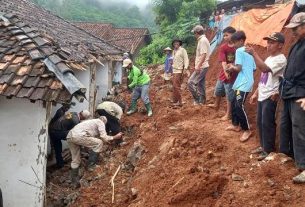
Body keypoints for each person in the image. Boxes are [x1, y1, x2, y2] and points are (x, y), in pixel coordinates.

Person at [247, 33, 287, 161]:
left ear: (280, 45)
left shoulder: (281, 59)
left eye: (272, 43)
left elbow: (264, 69)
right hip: (262, 94)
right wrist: (255, 93)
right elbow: (263, 78)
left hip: (271, 96)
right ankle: (263, 146)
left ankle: (268, 150)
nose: (268, 45)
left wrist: (254, 54)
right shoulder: (269, 58)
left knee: (267, 123)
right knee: (260, 122)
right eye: (268, 42)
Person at [279, 12, 305, 184]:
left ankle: (304, 167)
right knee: (287, 126)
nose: (293, 32)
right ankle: (292, 158)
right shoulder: (297, 45)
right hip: (289, 92)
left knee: (300, 129)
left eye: (295, 28)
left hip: (301, 93)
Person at [67, 116, 123, 188]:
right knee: (99, 143)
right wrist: (115, 137)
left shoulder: (90, 122)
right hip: (79, 136)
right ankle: (91, 165)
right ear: (104, 122)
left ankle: (74, 183)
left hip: (70, 136)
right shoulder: (100, 122)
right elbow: (103, 136)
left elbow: (94, 138)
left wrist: (106, 140)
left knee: (75, 160)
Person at [225, 31, 256, 142]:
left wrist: (231, 67)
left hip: (243, 83)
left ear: (242, 41)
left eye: (235, 42)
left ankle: (246, 129)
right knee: (234, 101)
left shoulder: (239, 50)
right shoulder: (249, 51)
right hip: (244, 81)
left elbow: (238, 68)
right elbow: (254, 68)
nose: (233, 45)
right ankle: (235, 124)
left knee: (238, 104)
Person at [208, 26, 237, 120]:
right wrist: (226, 72)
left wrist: (231, 71)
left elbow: (238, 62)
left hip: (233, 75)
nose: (225, 37)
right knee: (218, 90)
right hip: (224, 73)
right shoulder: (223, 47)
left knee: (229, 95)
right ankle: (216, 104)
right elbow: (223, 61)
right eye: (224, 36)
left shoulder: (238, 48)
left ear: (233, 34)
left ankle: (228, 114)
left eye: (226, 35)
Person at [188, 25, 211, 105]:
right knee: (201, 84)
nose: (194, 35)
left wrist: (198, 66)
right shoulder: (202, 40)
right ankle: (202, 101)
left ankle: (197, 100)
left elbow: (204, 54)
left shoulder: (202, 41)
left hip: (202, 66)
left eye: (194, 33)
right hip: (203, 66)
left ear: (197, 33)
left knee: (190, 82)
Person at [171, 38, 189, 106]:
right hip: (174, 70)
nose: (176, 44)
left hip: (179, 70)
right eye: (174, 43)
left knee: (176, 86)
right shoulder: (173, 51)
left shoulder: (182, 50)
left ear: (179, 43)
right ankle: (175, 100)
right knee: (174, 86)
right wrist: (171, 63)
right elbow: (173, 61)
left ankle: (180, 102)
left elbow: (186, 59)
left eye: (177, 42)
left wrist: (185, 68)